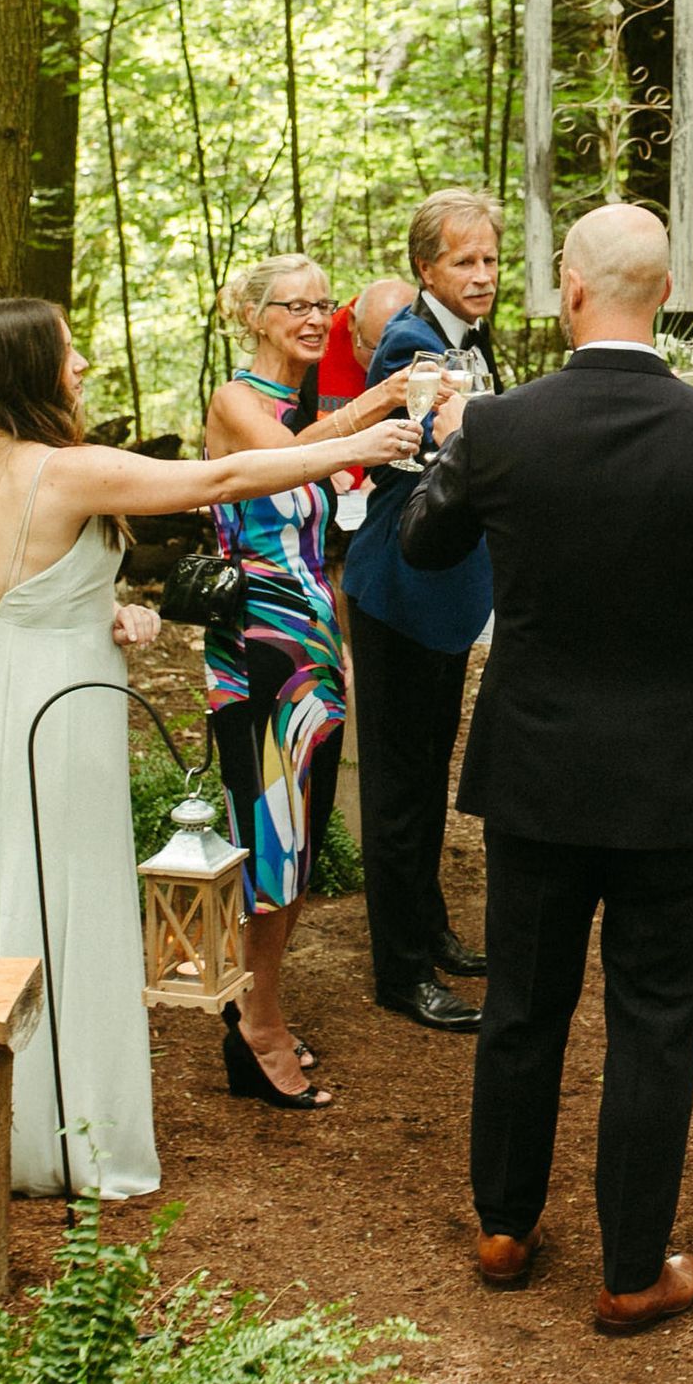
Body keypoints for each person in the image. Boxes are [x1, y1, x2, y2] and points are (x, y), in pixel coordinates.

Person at [398, 201, 693, 1335]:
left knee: (524, 1003)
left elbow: (423, 543)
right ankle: (630, 1266)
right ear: (661, 299)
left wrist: (449, 452)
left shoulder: (501, 427)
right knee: (655, 1019)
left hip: (540, 775)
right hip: (674, 784)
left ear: (570, 288)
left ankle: (505, 1226)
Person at [0, 296, 417, 1196]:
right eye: (67, 353)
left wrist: (107, 609)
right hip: (61, 712)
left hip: (24, 695)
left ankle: (24, 1110)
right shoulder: (61, 466)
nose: (79, 368)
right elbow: (215, 483)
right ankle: (71, 1126)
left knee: (24, 877)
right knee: (69, 885)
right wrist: (353, 445)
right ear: (25, 371)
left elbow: (28, 592)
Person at [204, 256, 416, 1108]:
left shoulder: (306, 409)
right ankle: (255, 1024)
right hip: (256, 650)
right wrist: (376, 405)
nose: (314, 317)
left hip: (313, 649)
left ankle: (260, 1006)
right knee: (271, 838)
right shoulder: (238, 402)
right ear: (253, 316)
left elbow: (324, 517)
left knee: (301, 834)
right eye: (296, 305)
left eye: (325, 305)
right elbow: (288, 461)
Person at [343, 189, 506, 1031]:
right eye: (464, 262)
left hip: (439, 597)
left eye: (489, 259)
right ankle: (400, 973)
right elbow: (435, 456)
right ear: (426, 269)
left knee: (426, 776)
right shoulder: (411, 344)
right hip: (398, 592)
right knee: (401, 792)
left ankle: (430, 926)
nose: (482, 276)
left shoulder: (466, 336)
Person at [317, 276, 415, 413]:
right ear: (352, 321)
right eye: (374, 350)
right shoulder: (316, 341)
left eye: (398, 354)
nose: (382, 363)